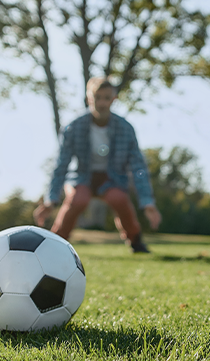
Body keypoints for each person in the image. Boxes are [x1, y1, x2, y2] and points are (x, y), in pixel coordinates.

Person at [34, 78, 162, 253]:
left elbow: (138, 167)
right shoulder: (73, 127)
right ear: (89, 99)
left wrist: (148, 203)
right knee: (78, 200)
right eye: (97, 97)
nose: (101, 103)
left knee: (119, 198)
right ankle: (56, 243)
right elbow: (61, 165)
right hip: (81, 177)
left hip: (111, 178)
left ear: (114, 99)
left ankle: (135, 241)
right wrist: (51, 200)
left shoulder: (125, 128)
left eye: (106, 98)